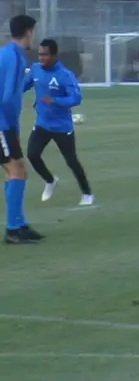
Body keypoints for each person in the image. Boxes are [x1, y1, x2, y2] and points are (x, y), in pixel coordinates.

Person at [24, 39, 93, 206]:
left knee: (71, 161)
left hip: (62, 127)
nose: (41, 58)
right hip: (42, 123)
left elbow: (76, 98)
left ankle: (87, 194)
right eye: (40, 54)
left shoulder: (65, 75)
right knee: (32, 154)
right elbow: (22, 87)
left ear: (54, 55)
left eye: (45, 54)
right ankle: (50, 180)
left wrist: (55, 100)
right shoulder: (35, 70)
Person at [0, 15, 42, 244]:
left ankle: (18, 224)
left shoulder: (8, 53)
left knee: (18, 171)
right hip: (2, 123)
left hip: (5, 123)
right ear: (28, 32)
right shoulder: (15, 56)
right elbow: (7, 97)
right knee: (16, 170)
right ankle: (13, 230)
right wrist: (10, 127)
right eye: (33, 31)